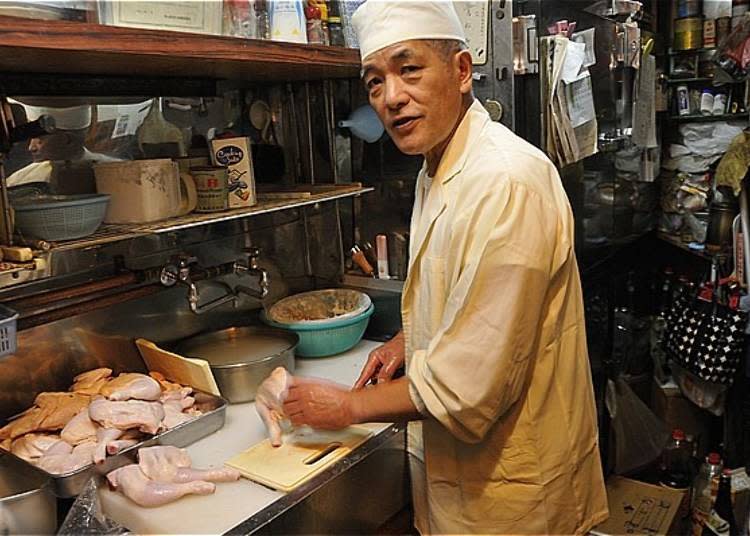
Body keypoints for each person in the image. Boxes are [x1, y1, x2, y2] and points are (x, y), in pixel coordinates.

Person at [257, 1, 609, 533]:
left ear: (462, 71)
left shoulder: (506, 180)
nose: (392, 97)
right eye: (374, 82)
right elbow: (473, 296)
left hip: (514, 497)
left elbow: (470, 386)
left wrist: (349, 408)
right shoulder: (439, 168)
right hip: (463, 482)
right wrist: (409, 337)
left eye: (409, 68)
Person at [7, 104, 120, 188]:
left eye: (40, 139)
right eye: (31, 138)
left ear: (67, 140)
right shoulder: (18, 180)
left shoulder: (115, 171)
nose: (31, 147)